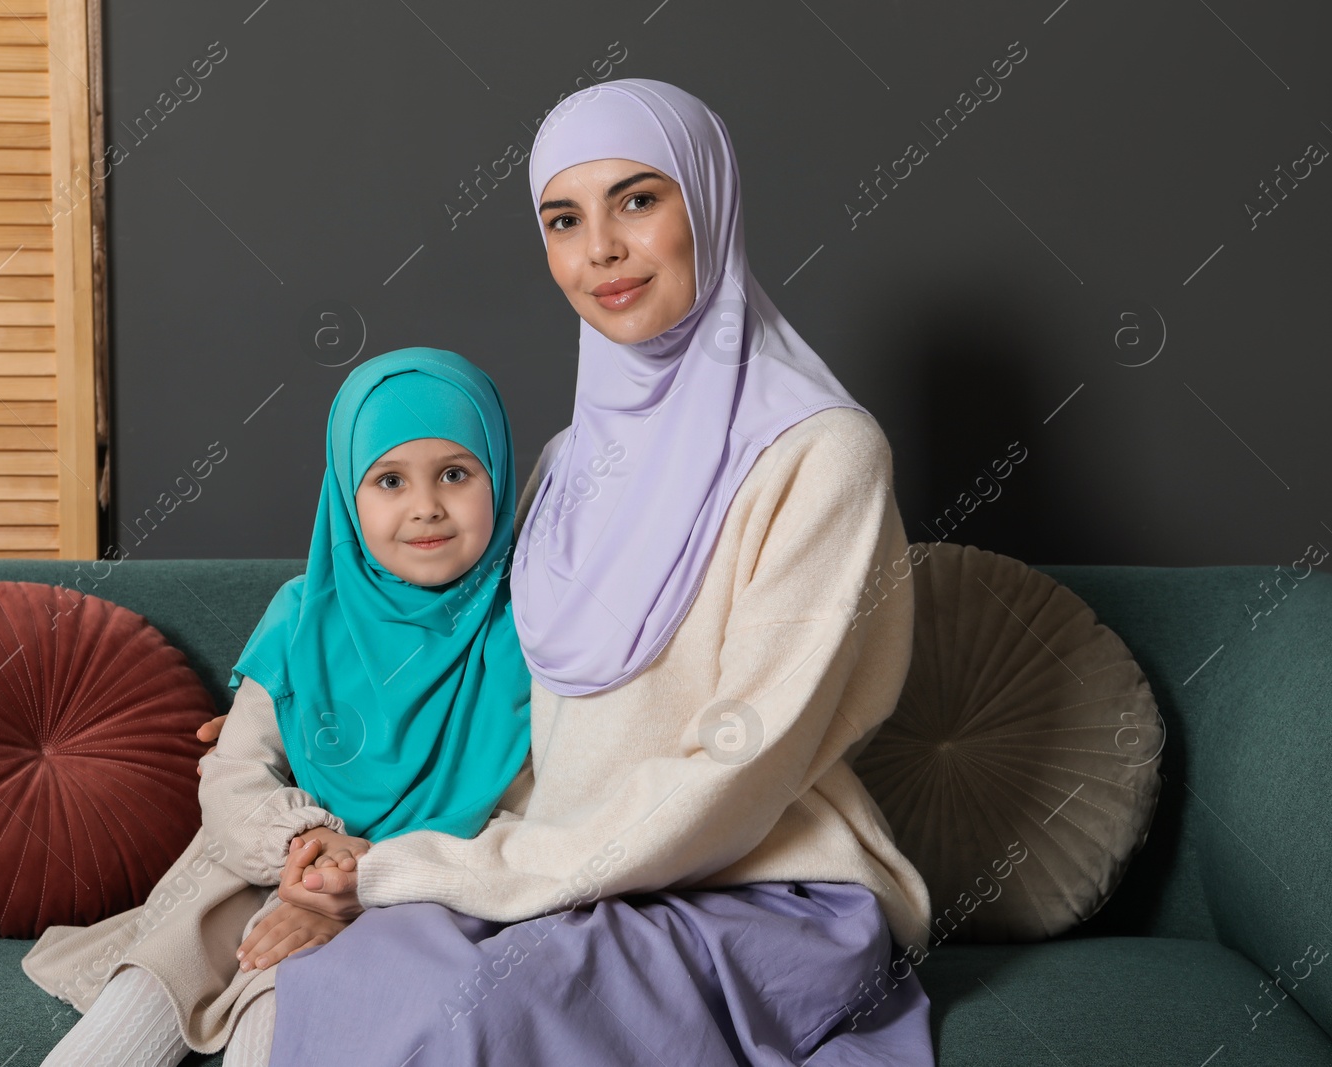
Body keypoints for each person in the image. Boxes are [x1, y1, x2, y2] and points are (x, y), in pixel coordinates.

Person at [260, 79, 938, 1065]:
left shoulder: (820, 453)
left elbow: (739, 771)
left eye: (637, 200)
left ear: (707, 202)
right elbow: (498, 694)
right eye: (562, 219)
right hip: (559, 865)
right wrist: (292, 704)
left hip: (757, 887)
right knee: (346, 972)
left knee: (464, 1011)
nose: (600, 252)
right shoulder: (565, 461)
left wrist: (434, 867)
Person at [20, 347, 534, 1066]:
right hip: (267, 862)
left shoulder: (530, 632)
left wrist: (367, 873)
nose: (426, 506)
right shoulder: (302, 615)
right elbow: (235, 772)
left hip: (422, 890)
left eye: (456, 473)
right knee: (158, 979)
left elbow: (531, 812)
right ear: (347, 500)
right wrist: (308, 848)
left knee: (282, 995)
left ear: (498, 475)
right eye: (389, 479)